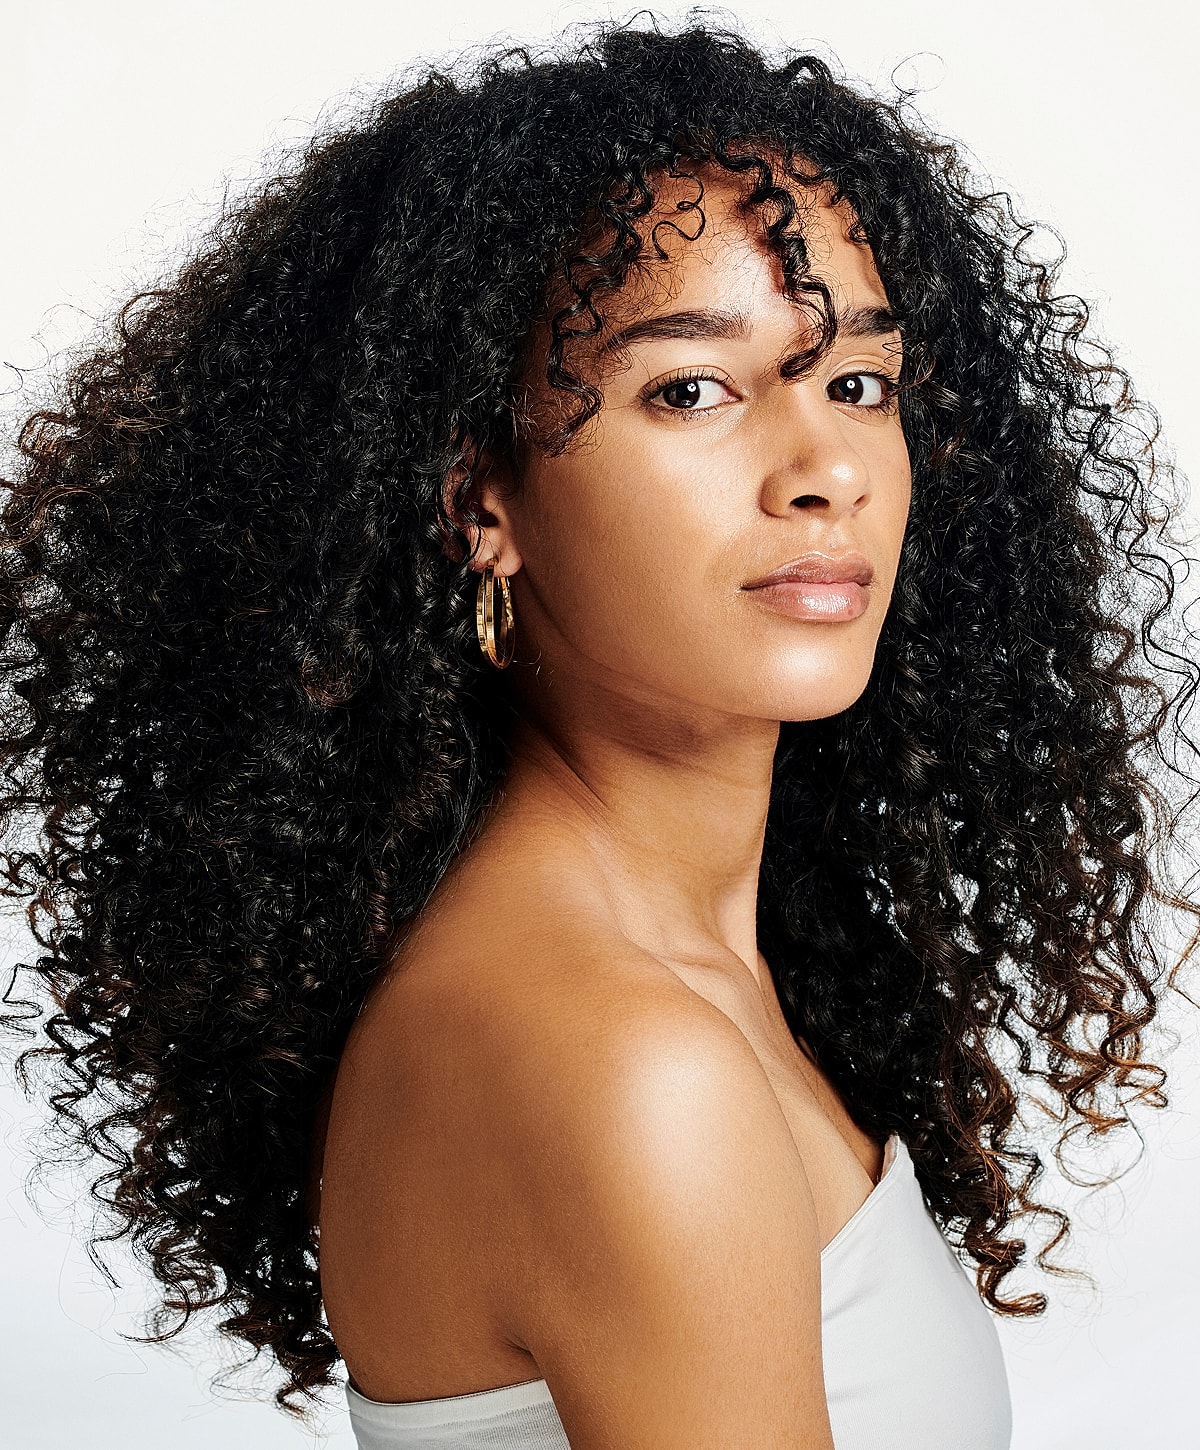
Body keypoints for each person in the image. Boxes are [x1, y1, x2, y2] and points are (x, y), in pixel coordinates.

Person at [1, 16, 1196, 1450]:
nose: (823, 468)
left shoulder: (666, 975)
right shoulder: (624, 1059)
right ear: (479, 504)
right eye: (690, 388)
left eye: (857, 382)